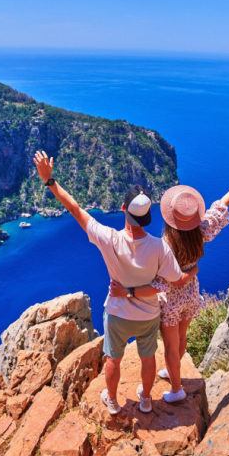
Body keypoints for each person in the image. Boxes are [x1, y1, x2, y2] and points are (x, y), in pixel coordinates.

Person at [33, 151, 198, 414]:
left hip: (118, 314)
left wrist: (49, 179)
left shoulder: (108, 238)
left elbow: (74, 208)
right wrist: (193, 272)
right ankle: (145, 399)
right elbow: (177, 280)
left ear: (123, 209)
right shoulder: (159, 248)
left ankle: (112, 401)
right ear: (148, 217)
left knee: (114, 358)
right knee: (147, 358)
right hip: (148, 316)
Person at [110, 161, 229, 403]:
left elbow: (165, 283)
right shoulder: (202, 231)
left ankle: (176, 389)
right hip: (191, 295)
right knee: (182, 337)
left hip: (172, 302)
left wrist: (128, 291)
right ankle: (171, 372)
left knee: (170, 347)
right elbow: (222, 204)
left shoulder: (164, 246)